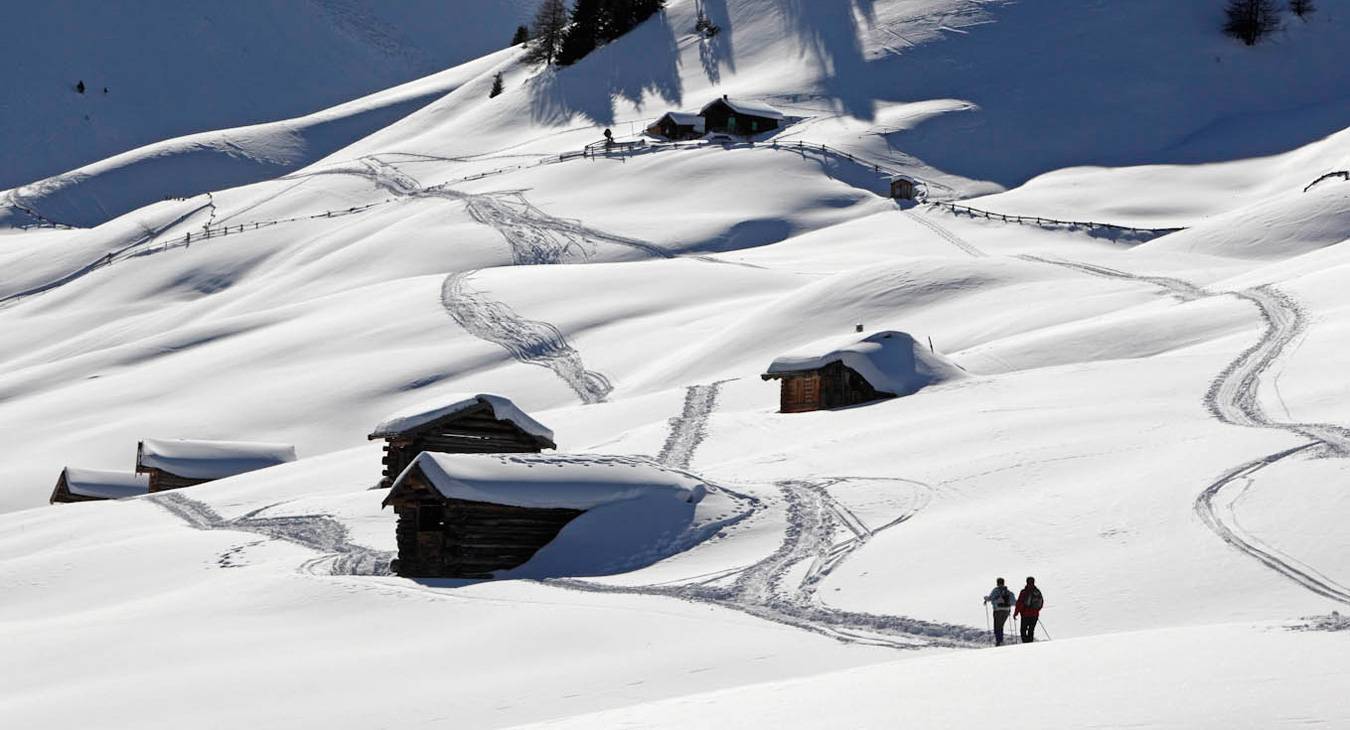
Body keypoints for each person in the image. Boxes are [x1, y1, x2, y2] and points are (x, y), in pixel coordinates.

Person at [983, 577, 1015, 646]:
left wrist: (986, 598)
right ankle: (1000, 640)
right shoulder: (1008, 592)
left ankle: (999, 641)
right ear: (1004, 583)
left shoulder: (996, 590)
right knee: (1001, 625)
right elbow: (1013, 602)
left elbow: (990, 598)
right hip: (1006, 611)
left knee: (997, 626)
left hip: (997, 611)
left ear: (997, 583)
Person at [1014, 576, 1044, 643]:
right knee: (1031, 630)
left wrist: (1016, 613)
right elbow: (1041, 603)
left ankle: (1025, 644)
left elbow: (1020, 603)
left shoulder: (1024, 592)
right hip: (1035, 615)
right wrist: (1036, 610)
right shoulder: (1037, 591)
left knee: (1023, 630)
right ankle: (1030, 644)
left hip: (1025, 614)